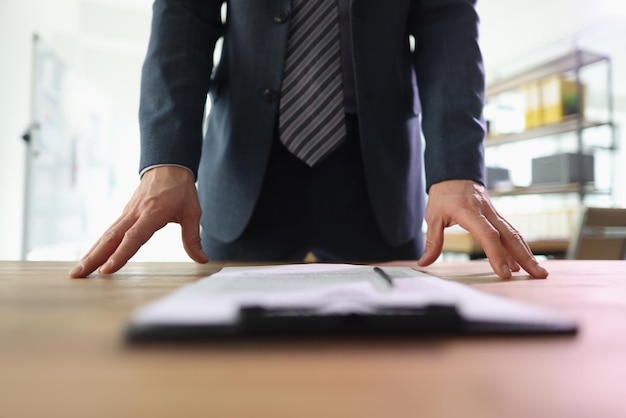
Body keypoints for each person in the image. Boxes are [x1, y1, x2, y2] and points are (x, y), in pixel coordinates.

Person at [70, 0, 548, 280]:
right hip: (244, 178)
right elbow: (183, 19)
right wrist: (166, 160)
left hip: (377, 177)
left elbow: (447, 23)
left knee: (389, 370)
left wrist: (455, 168)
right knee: (230, 369)